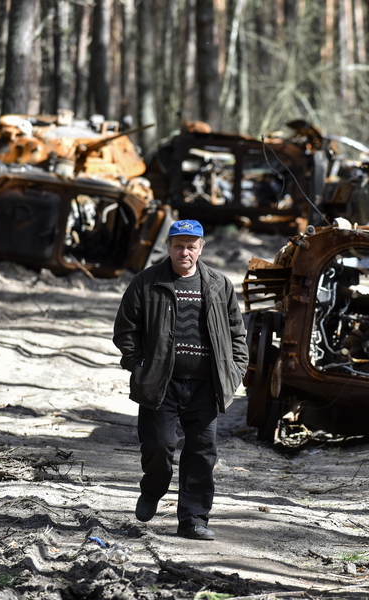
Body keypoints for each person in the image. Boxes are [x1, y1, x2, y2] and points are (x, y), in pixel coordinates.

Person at [113, 219, 248, 541]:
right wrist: (140, 365)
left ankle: (193, 520)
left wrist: (236, 369)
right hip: (162, 384)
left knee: (202, 454)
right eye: (178, 245)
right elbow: (125, 329)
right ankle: (153, 488)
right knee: (159, 447)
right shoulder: (146, 282)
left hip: (205, 386)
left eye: (191, 246)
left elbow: (236, 333)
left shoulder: (218, 284)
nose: (184, 252)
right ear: (169, 247)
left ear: (200, 248)